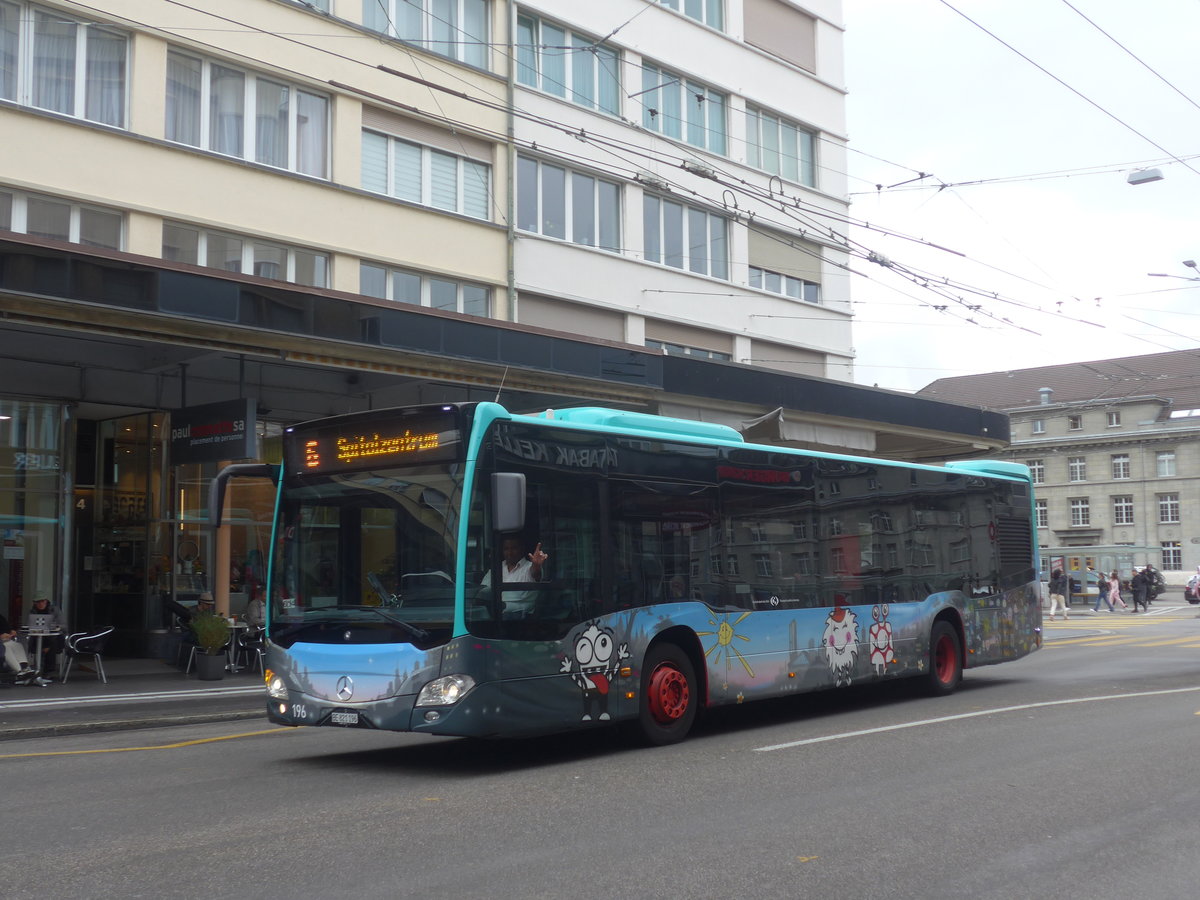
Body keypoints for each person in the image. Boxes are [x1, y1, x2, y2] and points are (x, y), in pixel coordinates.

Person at [481, 536, 549, 617]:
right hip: (496, 614)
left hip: (521, 618)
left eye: (514, 548)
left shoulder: (529, 567)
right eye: (506, 549)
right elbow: (483, 590)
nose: (510, 553)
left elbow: (536, 573)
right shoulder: (497, 567)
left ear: (522, 549)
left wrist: (537, 565)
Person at [0, 611, 50, 686]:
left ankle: (25, 668)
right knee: (6, 647)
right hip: (1, 642)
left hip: (4, 641)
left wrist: (11, 632)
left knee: (17, 645)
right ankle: (20, 671)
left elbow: (6, 627)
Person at [24, 595, 64, 674]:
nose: (40, 604)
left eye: (42, 601)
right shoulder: (32, 611)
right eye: (38, 602)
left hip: (53, 637)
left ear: (46, 601)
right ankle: (38, 670)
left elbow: (63, 624)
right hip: (37, 636)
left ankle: (48, 671)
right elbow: (28, 625)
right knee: (38, 643)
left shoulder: (54, 610)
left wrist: (55, 627)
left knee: (52, 644)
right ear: (34, 603)